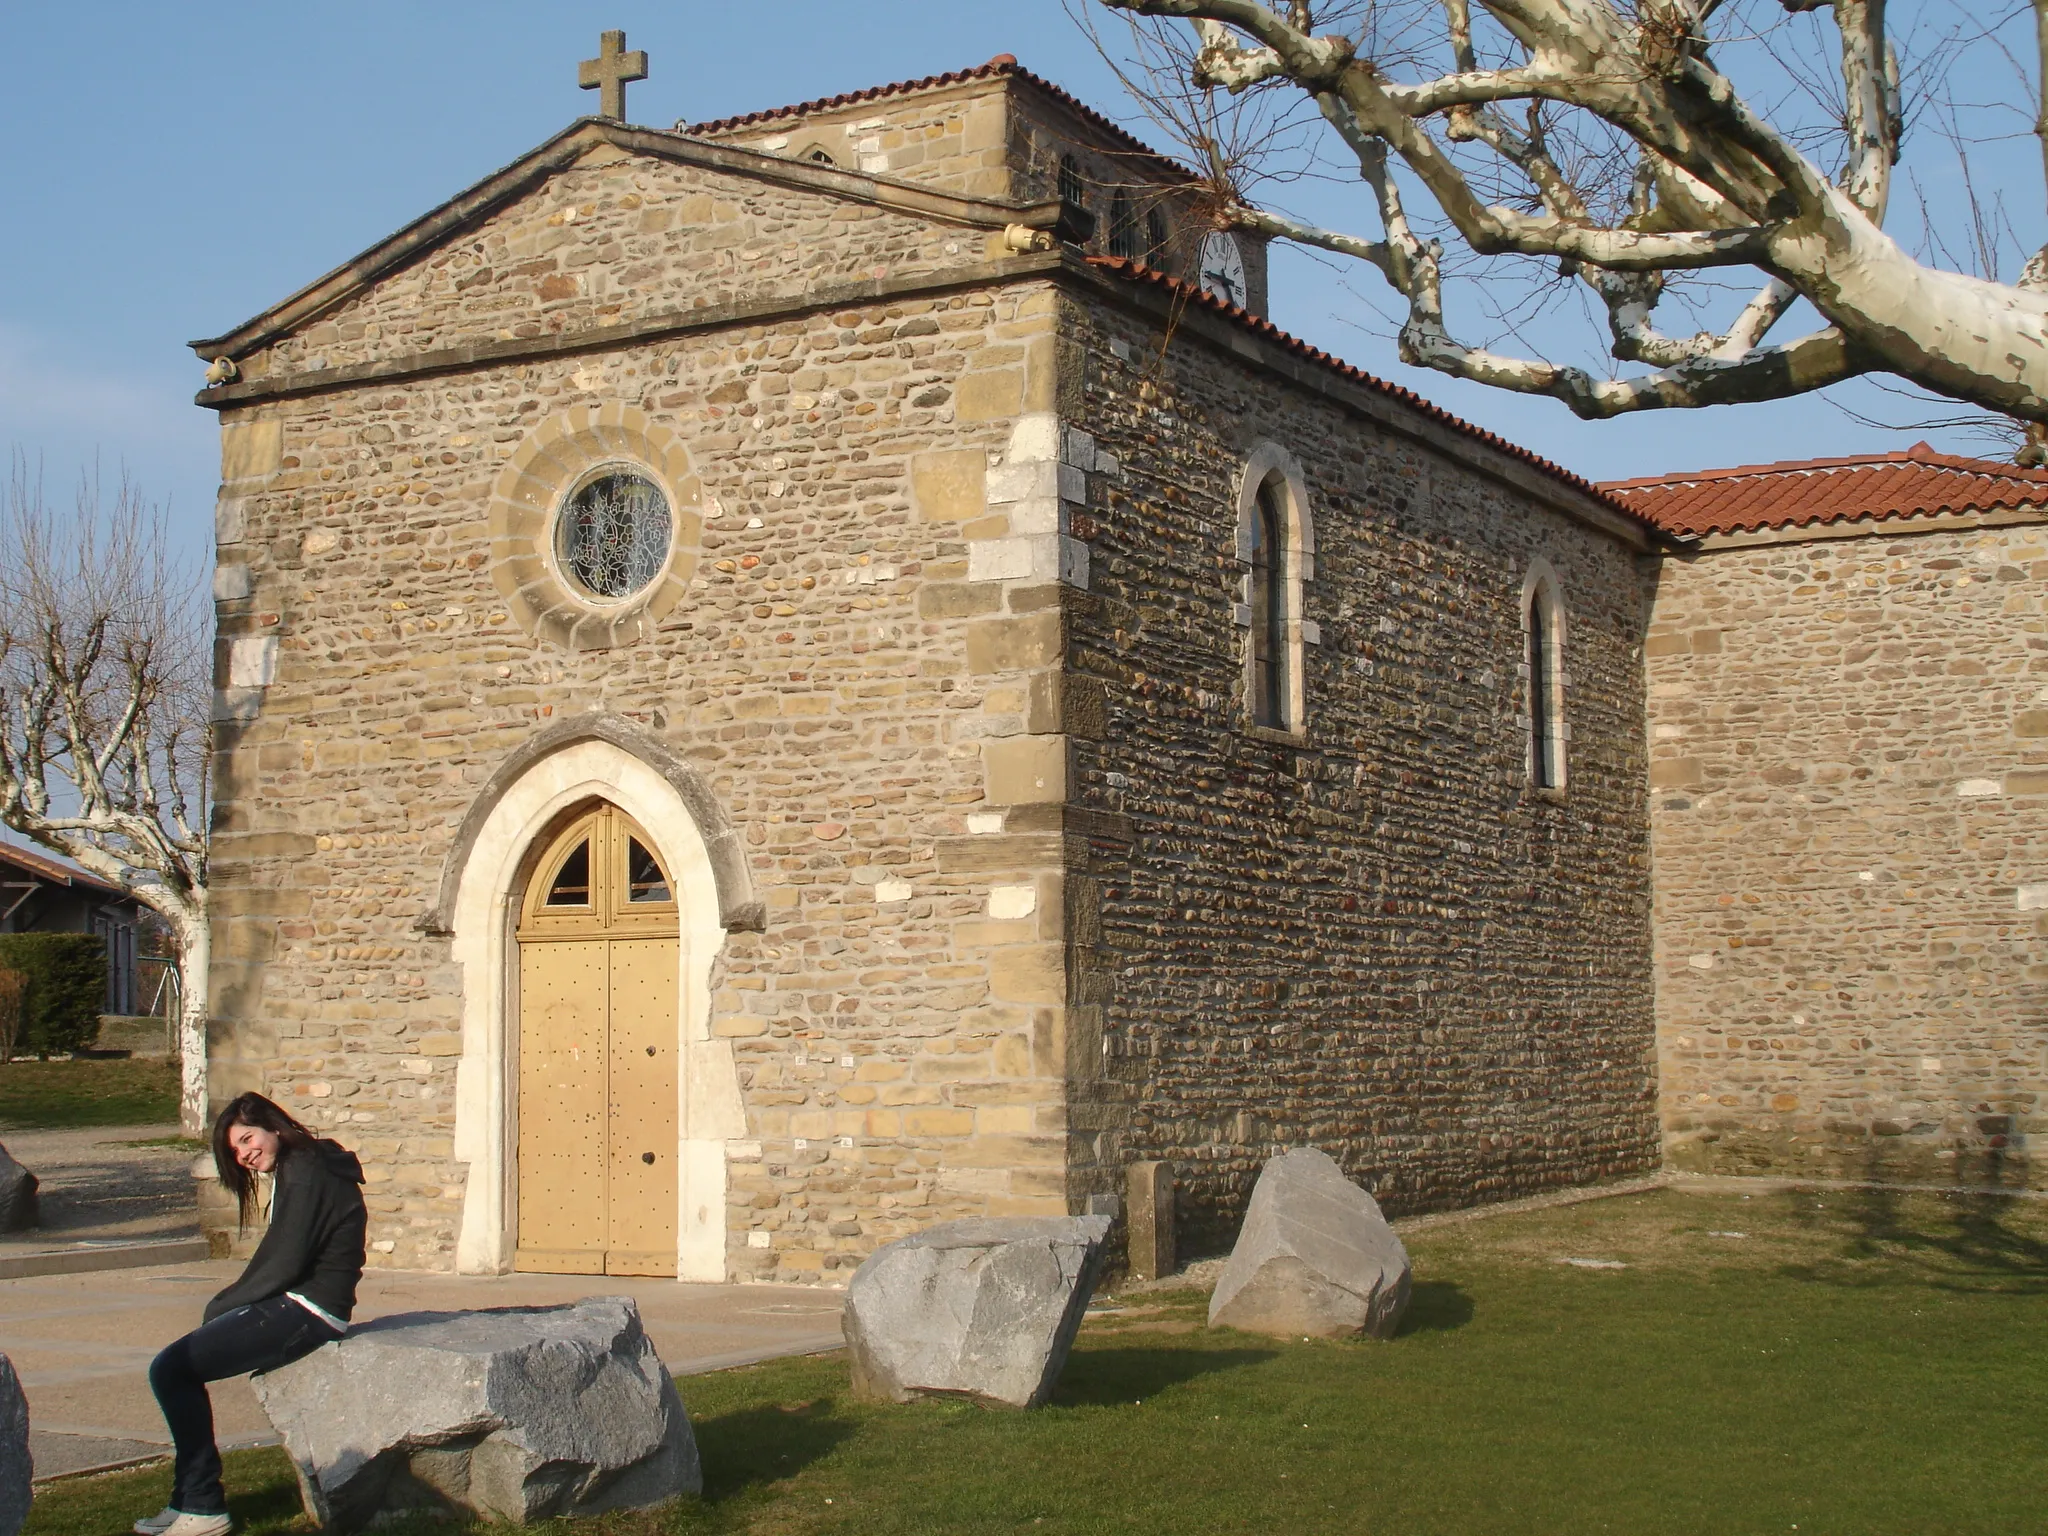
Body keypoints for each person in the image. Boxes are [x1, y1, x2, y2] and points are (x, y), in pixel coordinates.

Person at [135, 1094, 367, 1536]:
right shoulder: (304, 1164)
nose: (244, 1154)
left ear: (275, 1128)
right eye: (235, 1150)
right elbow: (282, 1260)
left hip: (309, 1310)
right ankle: (187, 1499)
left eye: (247, 1139)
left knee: (172, 1369)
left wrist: (220, 1308)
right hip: (305, 1304)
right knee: (173, 1367)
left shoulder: (306, 1171)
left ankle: (202, 1508)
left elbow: (285, 1262)